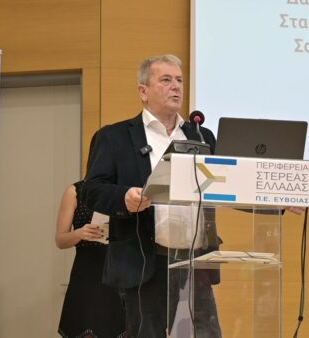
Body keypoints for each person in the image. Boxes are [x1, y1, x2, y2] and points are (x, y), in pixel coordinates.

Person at [83, 54, 221, 337]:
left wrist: (277, 202)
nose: (176, 86)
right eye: (166, 80)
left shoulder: (201, 135)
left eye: (179, 80)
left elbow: (226, 185)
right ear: (143, 91)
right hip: (146, 260)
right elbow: (91, 190)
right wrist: (124, 197)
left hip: (195, 261)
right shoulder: (115, 137)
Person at [56, 180, 127, 338]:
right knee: (88, 328)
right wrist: (80, 233)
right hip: (89, 272)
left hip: (122, 269)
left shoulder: (124, 190)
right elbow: (60, 240)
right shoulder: (75, 191)